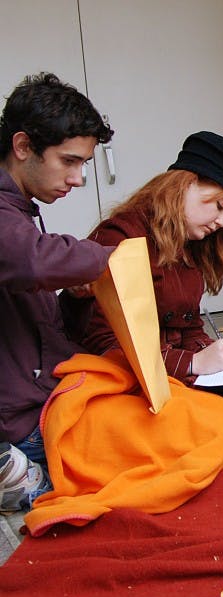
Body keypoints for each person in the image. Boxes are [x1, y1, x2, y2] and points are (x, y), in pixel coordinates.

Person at [72, 131, 223, 433]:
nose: (221, 222)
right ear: (185, 184)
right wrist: (193, 363)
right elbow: (108, 345)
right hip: (144, 380)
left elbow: (190, 325)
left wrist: (215, 353)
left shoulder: (188, 243)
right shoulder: (121, 239)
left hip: (175, 362)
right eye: (219, 205)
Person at [0, 72, 113, 512]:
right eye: (69, 161)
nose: (79, 178)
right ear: (22, 146)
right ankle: (23, 475)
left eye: (83, 164)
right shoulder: (8, 219)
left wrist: (77, 298)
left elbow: (38, 324)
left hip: (43, 399)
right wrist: (111, 258)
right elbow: (33, 260)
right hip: (22, 420)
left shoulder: (20, 209)